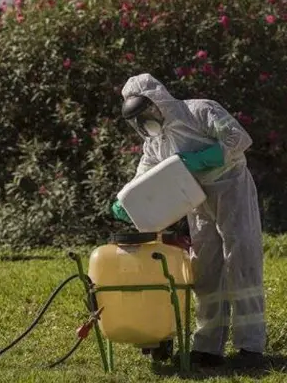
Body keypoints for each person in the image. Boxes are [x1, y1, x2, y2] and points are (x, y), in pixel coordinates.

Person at [110, 73, 266, 368]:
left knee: (241, 258)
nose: (144, 121)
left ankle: (250, 346)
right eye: (138, 118)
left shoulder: (200, 110)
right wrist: (124, 200)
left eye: (146, 112)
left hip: (230, 186)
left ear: (158, 101)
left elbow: (239, 138)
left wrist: (206, 157)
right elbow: (144, 174)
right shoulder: (155, 142)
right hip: (195, 198)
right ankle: (208, 347)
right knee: (204, 268)